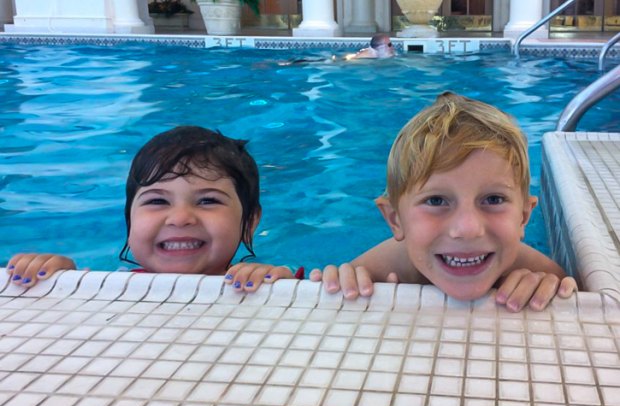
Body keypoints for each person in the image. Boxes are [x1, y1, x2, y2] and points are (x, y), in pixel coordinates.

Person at [312, 92, 577, 312]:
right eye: (436, 200)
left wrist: (549, 289)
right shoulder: (375, 270)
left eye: (493, 199)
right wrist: (341, 282)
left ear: (523, 217)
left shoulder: (538, 271)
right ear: (395, 219)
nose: (467, 228)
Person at [6, 126, 296, 291]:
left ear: (250, 222)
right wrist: (59, 280)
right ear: (129, 218)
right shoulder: (110, 287)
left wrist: (278, 286)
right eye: (157, 201)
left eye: (208, 200)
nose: (181, 218)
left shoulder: (258, 284)